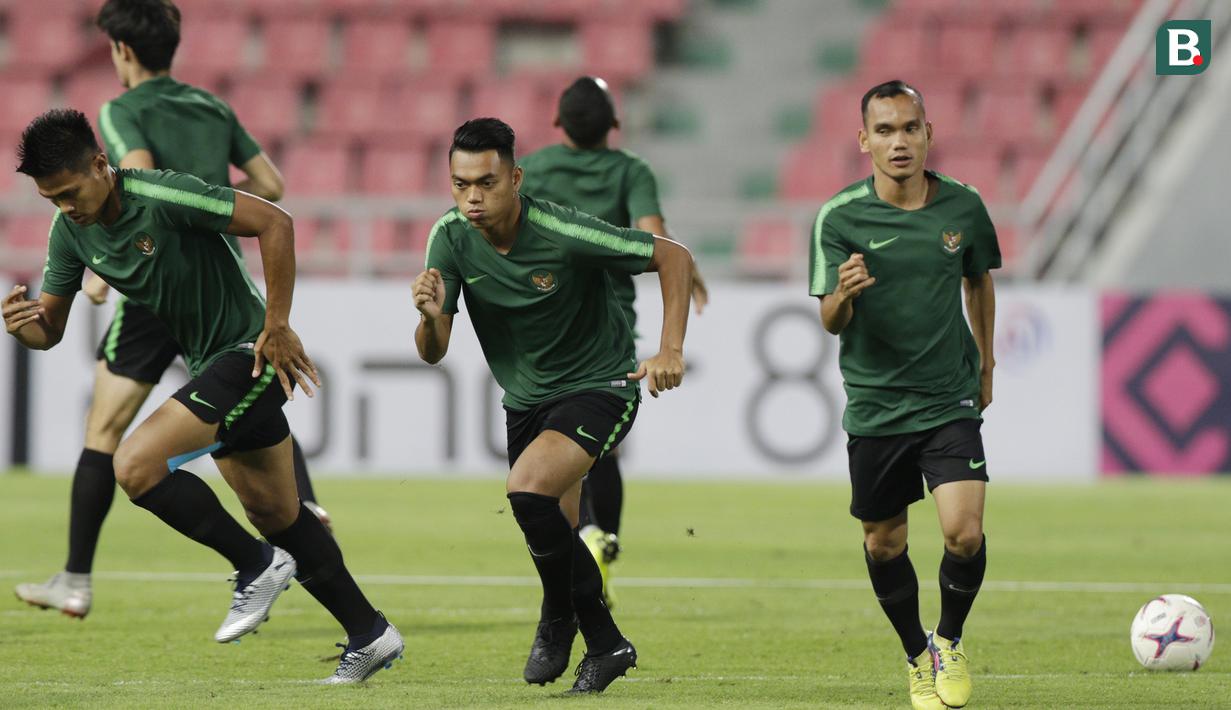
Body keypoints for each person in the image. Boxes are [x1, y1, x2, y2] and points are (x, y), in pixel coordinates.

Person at [4, 109, 402, 683]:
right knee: (278, 513)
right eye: (51, 199)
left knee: (136, 465)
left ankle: (255, 565)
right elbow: (51, 330)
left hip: (251, 354)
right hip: (213, 365)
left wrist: (279, 323)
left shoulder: (163, 195)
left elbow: (276, 221)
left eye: (69, 192)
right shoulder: (69, 233)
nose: (64, 207)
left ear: (100, 165)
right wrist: (25, 328)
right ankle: (371, 633)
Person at [14, 0, 330, 621]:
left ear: (122, 51)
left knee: (108, 436)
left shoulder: (120, 110)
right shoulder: (212, 107)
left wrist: (109, 261)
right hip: (213, 273)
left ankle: (77, 578)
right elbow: (268, 185)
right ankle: (307, 517)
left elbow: (137, 179)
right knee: (243, 399)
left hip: (148, 283)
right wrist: (209, 211)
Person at [413, 118, 693, 693]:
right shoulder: (448, 238)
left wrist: (669, 349)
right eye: (460, 183)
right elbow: (434, 353)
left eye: (486, 183)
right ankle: (559, 615)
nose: (472, 196)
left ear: (515, 178)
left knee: (527, 491)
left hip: (600, 384)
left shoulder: (563, 230)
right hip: (526, 401)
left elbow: (674, 257)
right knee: (552, 529)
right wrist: (427, 317)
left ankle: (602, 638)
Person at [810, 80, 998, 710]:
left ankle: (948, 639)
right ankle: (916, 654)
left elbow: (979, 282)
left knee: (963, 534)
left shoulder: (963, 207)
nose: (899, 142)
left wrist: (987, 362)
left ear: (929, 134)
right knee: (883, 544)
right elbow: (829, 320)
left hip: (947, 400)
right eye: (884, 131)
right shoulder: (839, 218)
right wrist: (843, 295)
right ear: (863, 140)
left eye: (910, 128)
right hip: (877, 407)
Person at [519, 76, 708, 609]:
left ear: (558, 123)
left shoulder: (532, 169)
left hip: (543, 316)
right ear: (615, 125)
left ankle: (582, 536)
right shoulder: (630, 169)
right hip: (609, 321)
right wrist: (687, 273)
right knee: (602, 435)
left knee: (553, 432)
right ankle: (599, 533)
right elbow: (655, 233)